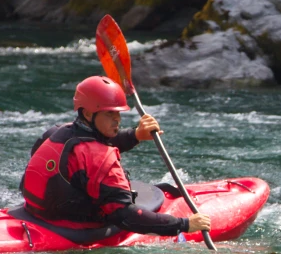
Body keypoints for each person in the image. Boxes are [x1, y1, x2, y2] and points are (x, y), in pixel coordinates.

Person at [20, 75, 210, 236]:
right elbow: (125, 217)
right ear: (87, 114)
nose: (117, 120)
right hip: (74, 227)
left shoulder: (55, 133)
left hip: (35, 213)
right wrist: (183, 225)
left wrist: (136, 135)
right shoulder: (101, 160)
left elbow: (90, 149)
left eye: (118, 113)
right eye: (110, 114)